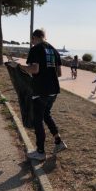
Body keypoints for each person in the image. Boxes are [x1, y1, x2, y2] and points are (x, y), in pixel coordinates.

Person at [18, 29, 67, 161]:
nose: (31, 42)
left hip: (40, 91)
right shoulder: (54, 50)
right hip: (53, 90)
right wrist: (47, 74)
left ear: (35, 37)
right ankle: (58, 141)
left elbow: (35, 69)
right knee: (47, 114)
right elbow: (59, 73)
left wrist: (20, 67)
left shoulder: (35, 49)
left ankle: (40, 152)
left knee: (38, 120)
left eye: (32, 40)